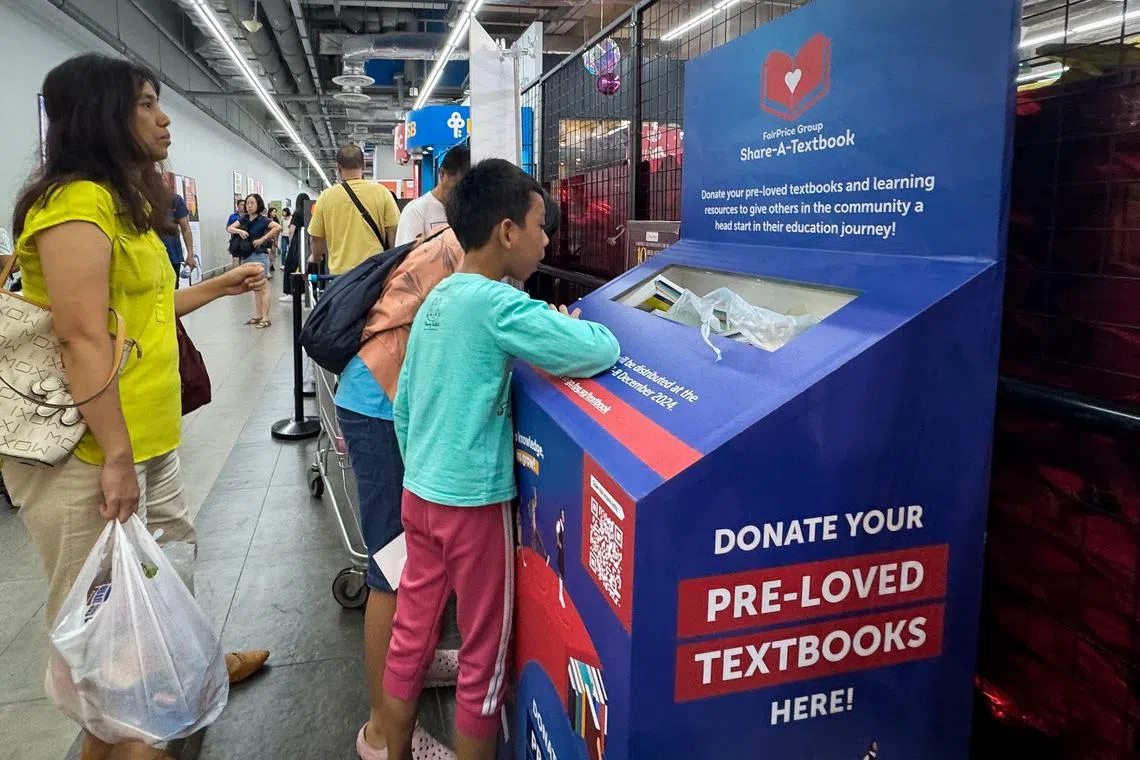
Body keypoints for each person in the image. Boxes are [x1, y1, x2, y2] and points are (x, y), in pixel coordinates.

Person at [2, 53, 270, 760]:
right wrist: (116, 456)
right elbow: (81, 333)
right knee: (110, 636)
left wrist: (216, 289)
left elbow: (142, 312)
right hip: (88, 453)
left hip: (147, 437)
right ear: (102, 116)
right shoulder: (74, 203)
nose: (163, 116)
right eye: (147, 103)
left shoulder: (124, 204)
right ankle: (144, 720)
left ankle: (186, 665)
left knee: (163, 577)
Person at [381, 159, 620, 760]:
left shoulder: (439, 299)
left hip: (422, 493)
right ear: (507, 231)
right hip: (474, 507)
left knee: (411, 633)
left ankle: (386, 747)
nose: (547, 239)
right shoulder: (496, 303)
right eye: (541, 226)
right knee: (483, 656)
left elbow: (406, 402)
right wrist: (571, 325)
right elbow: (598, 347)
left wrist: (424, 470)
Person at [308, 144, 401, 275]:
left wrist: (315, 258)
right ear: (363, 165)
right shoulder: (382, 192)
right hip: (374, 274)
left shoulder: (326, 196)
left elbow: (315, 238)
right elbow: (393, 232)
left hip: (340, 277)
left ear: (338, 167)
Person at [394, 144, 469, 246]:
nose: (461, 194)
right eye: (457, 187)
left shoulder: (469, 210)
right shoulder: (416, 211)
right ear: (442, 174)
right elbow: (405, 258)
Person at [227, 193, 279, 328]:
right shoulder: (244, 219)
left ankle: (266, 317)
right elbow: (229, 228)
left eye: (252, 203)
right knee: (256, 288)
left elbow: (277, 227)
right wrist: (239, 232)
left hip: (260, 256)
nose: (249, 206)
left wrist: (263, 239)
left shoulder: (263, 220)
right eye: (247, 203)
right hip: (247, 256)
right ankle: (258, 315)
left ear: (258, 205)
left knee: (264, 286)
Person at [160, 193, 194, 288]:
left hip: (172, 256)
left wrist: (190, 254)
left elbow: (186, 228)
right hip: (149, 259)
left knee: (172, 292)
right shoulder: (139, 199)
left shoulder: (174, 200)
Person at [281, 193, 309, 300]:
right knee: (305, 267)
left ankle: (290, 292)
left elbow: (292, 230)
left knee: (289, 267)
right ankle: (303, 292)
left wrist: (290, 243)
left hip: (297, 242)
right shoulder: (311, 213)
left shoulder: (296, 214)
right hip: (308, 241)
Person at [267, 206, 280, 274]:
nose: (275, 213)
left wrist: (276, 240)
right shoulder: (266, 220)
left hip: (274, 238)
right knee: (269, 253)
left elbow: (278, 230)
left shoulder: (276, 220)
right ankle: (268, 266)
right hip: (268, 239)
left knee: (273, 253)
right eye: (273, 212)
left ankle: (271, 264)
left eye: (275, 212)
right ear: (270, 212)